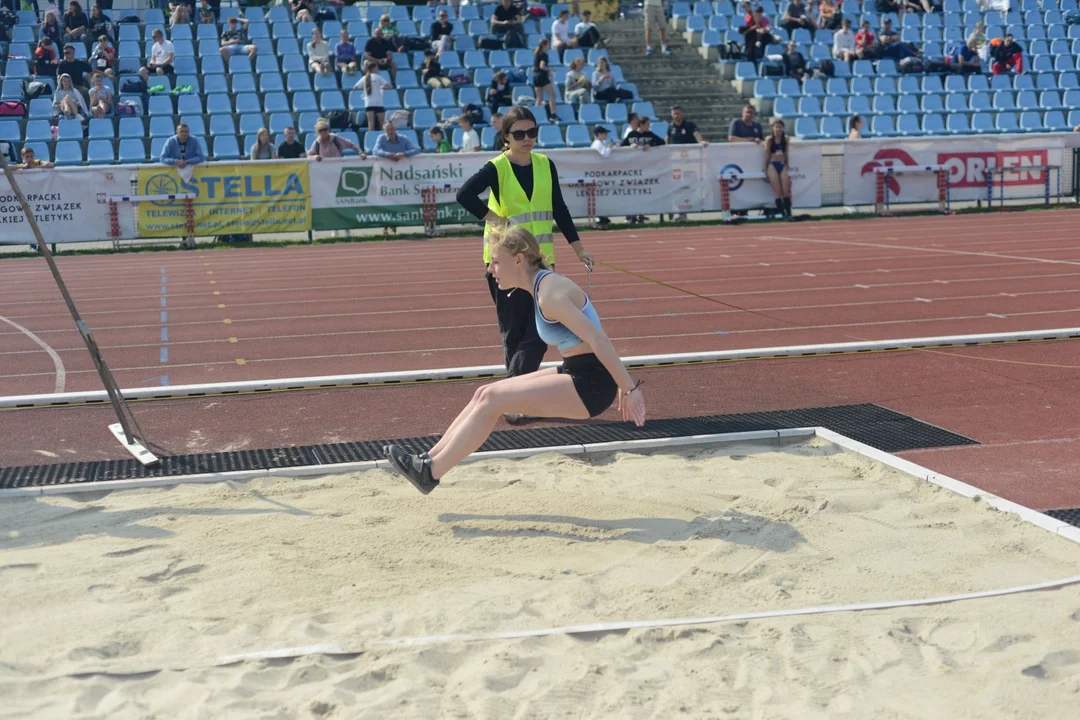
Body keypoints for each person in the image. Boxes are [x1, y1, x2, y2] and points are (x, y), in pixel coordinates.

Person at [384, 226, 645, 494]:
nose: (490, 270)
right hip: (576, 371)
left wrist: (629, 388)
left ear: (518, 259)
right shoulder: (541, 286)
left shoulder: (549, 293)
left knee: (493, 400)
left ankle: (430, 473)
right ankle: (426, 461)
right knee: (484, 393)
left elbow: (598, 338)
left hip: (592, 386)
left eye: (495, 262)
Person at [454, 105, 595, 405]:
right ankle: (514, 399)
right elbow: (464, 194)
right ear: (506, 137)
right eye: (519, 133)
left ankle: (511, 396)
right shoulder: (497, 167)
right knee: (515, 334)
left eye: (532, 132)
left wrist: (578, 248)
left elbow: (559, 207)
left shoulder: (545, 164)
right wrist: (496, 220)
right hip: (505, 265)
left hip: (539, 264)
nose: (527, 138)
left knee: (539, 333)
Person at [764, 119, 792, 221]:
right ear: (772, 128)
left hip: (782, 164)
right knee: (778, 192)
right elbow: (767, 155)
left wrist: (787, 166)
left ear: (783, 128)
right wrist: (765, 168)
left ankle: (789, 213)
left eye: (780, 127)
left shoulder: (786, 139)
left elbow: (786, 153)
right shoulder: (769, 140)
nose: (778, 129)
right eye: (776, 127)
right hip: (772, 165)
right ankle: (783, 214)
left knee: (786, 191)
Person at [354, 61, 392, 132]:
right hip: (378, 103)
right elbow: (388, 86)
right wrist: (381, 87)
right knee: (382, 124)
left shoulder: (364, 78)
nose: (378, 69)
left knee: (370, 124)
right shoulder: (378, 77)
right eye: (377, 68)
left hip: (369, 103)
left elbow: (355, 87)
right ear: (373, 69)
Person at [533, 38, 556, 116]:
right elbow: (542, 66)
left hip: (535, 77)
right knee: (552, 95)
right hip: (542, 76)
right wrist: (550, 69)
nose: (549, 46)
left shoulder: (536, 54)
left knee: (539, 98)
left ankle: (535, 115)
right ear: (544, 45)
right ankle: (553, 114)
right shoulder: (544, 55)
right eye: (548, 45)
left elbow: (534, 68)